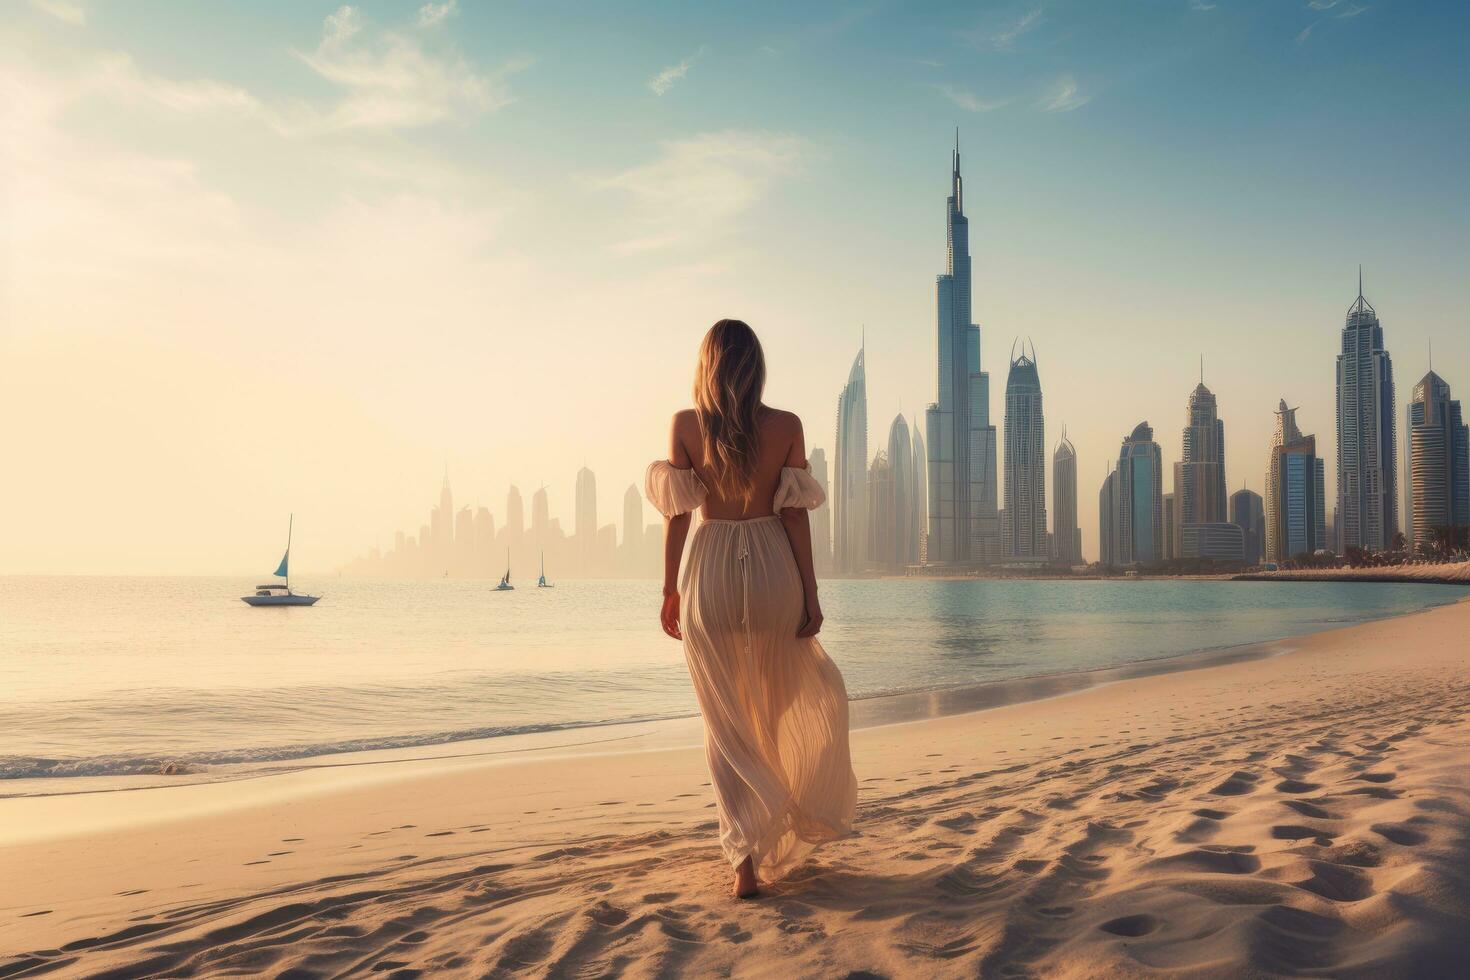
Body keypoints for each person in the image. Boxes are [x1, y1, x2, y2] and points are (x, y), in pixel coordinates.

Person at [645, 318, 857, 899]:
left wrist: (669, 590)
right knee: (776, 698)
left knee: (724, 719)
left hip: (709, 570)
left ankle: (744, 858)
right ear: (756, 365)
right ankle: (772, 808)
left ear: (706, 364)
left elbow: (679, 517)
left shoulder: (686, 426)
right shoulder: (785, 426)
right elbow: (795, 516)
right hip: (771, 569)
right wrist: (811, 594)